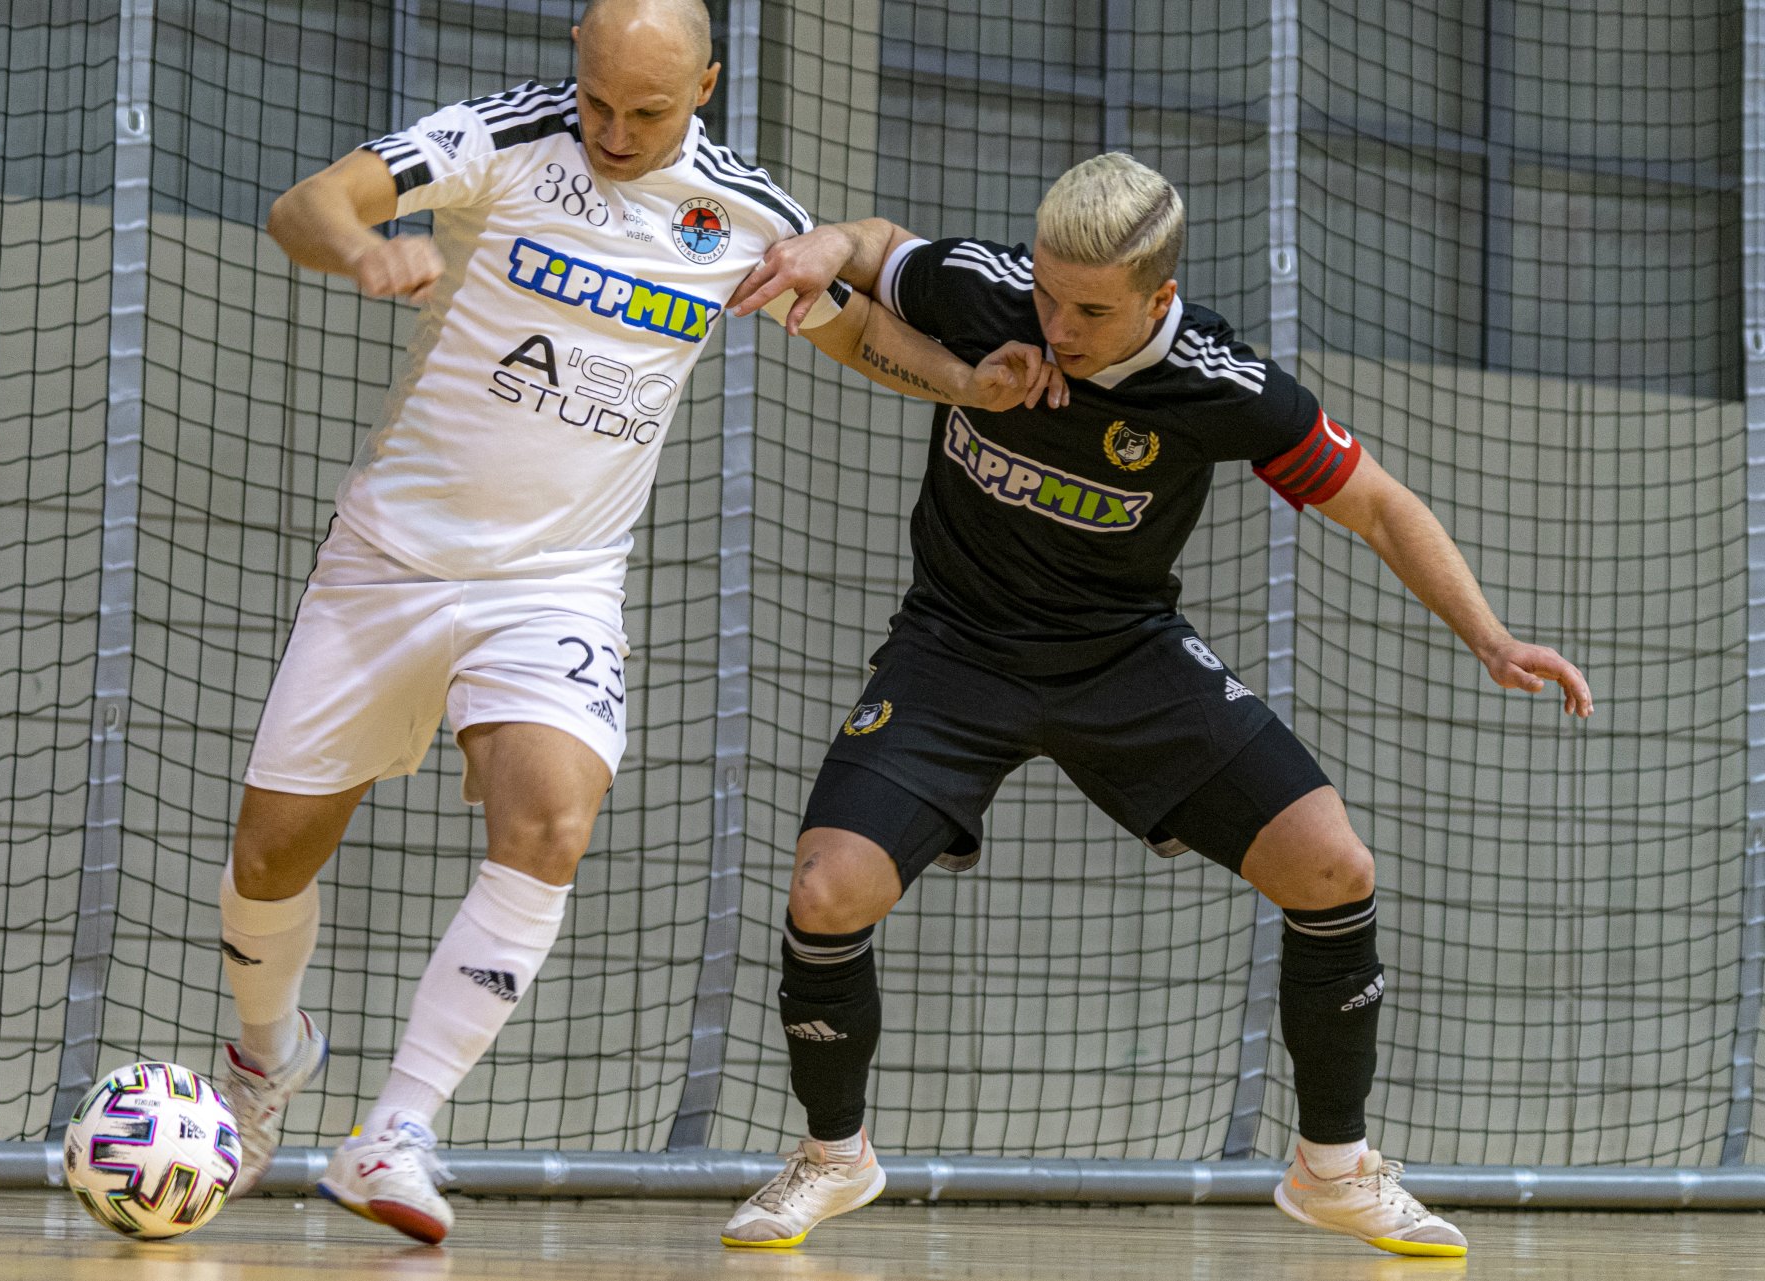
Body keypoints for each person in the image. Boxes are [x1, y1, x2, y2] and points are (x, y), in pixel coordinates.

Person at [223, 0, 1058, 1245]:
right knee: (271, 858)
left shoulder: (740, 218)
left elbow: (847, 327)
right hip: (387, 565)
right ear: (579, 64)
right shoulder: (500, 140)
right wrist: (362, 250)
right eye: (602, 98)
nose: (616, 129)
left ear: (707, 86)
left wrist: (960, 381)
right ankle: (263, 1058)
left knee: (554, 818)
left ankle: (396, 1128)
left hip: (554, 586)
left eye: (649, 109)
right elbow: (309, 203)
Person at [717, 152, 1593, 1258]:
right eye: (1047, 293)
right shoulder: (986, 289)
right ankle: (834, 1158)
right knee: (826, 890)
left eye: (1090, 309)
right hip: (956, 647)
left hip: (1124, 657)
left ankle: (1334, 1169)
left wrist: (1494, 637)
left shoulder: (1228, 389)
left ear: (1158, 301)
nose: (1058, 324)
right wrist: (819, 247)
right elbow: (876, 243)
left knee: (1333, 867)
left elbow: (1375, 505)